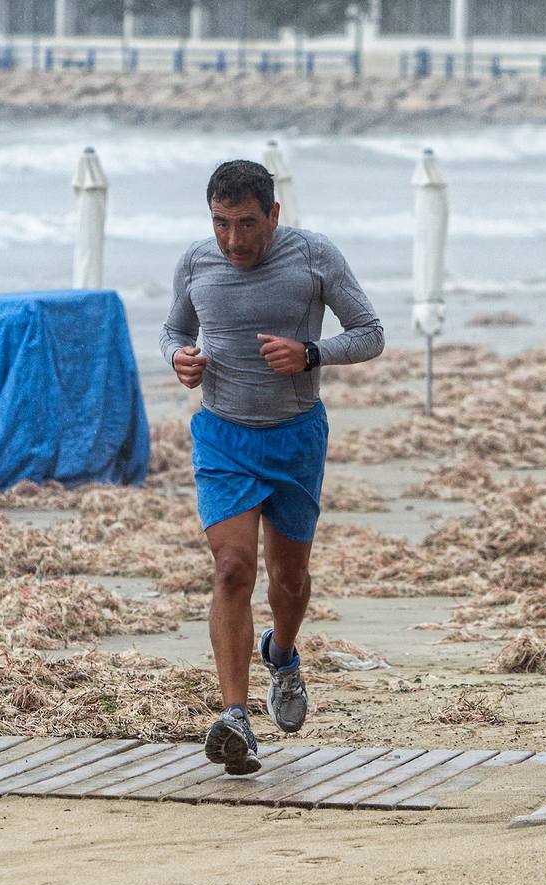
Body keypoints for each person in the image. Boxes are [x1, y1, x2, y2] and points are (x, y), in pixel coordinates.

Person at [160, 159, 384, 774]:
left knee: (289, 579)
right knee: (232, 569)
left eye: (247, 224)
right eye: (221, 224)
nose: (233, 240)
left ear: (274, 215)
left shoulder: (314, 256)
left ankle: (282, 654)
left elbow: (370, 332)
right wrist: (180, 358)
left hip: (294, 439)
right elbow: (173, 329)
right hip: (223, 438)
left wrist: (311, 352)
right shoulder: (195, 263)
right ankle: (235, 717)